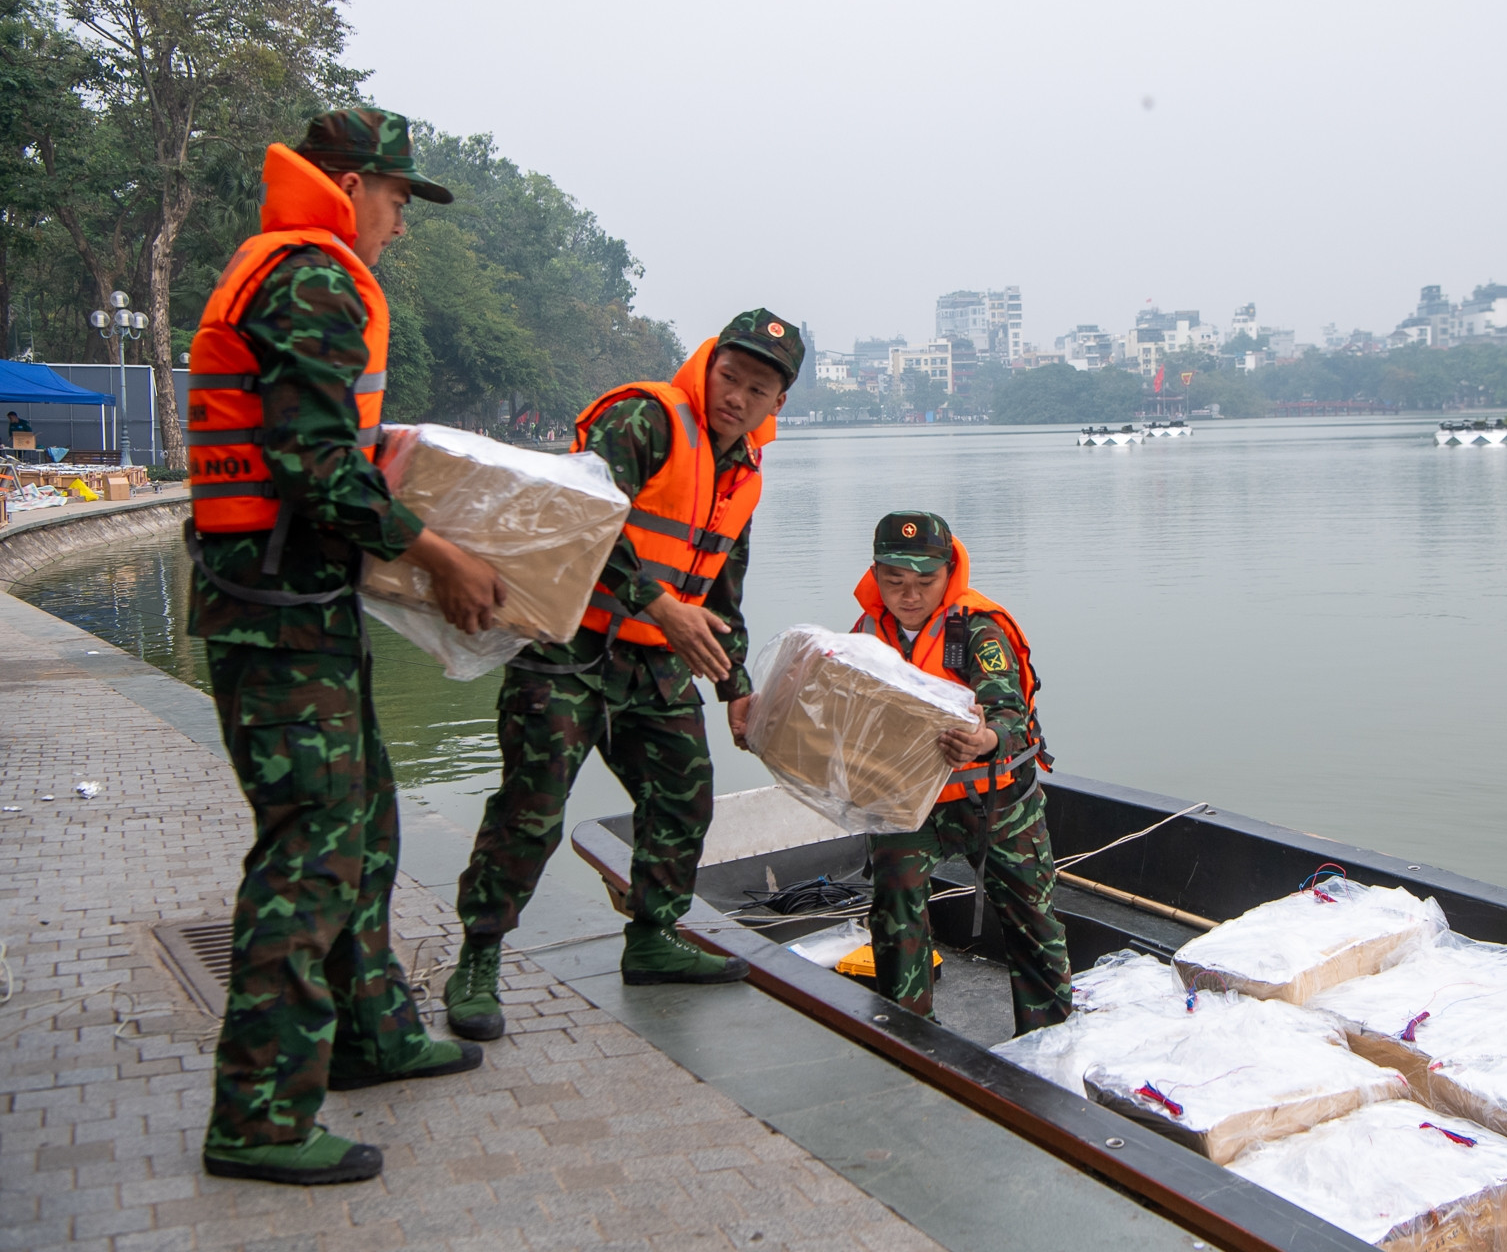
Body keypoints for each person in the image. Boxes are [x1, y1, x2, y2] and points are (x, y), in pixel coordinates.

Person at [186, 108, 505, 1186]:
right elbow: (315, 468)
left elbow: (315, 444)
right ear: (357, 182)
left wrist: (387, 453)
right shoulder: (312, 276)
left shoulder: (289, 269)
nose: (400, 227)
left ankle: (369, 1032)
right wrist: (443, 557)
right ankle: (260, 1117)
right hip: (277, 613)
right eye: (400, 201)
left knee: (364, 813)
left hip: (294, 604)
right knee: (311, 850)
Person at [442, 309, 803, 1041]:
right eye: (729, 376)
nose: (735, 396)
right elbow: (579, 520)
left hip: (653, 664)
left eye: (756, 389)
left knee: (684, 796)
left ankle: (651, 939)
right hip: (568, 648)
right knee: (532, 805)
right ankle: (478, 955)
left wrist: (737, 688)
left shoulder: (745, 475)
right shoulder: (647, 421)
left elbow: (721, 594)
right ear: (709, 364)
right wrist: (659, 605)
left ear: (777, 403)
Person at [852, 511, 1072, 1035]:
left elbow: (1009, 715)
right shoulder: (865, 632)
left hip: (995, 801)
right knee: (894, 904)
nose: (909, 595)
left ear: (949, 572)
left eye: (925, 581)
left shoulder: (979, 629)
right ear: (876, 574)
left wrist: (984, 738)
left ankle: (1049, 1036)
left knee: (1031, 917)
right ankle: (910, 1029)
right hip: (911, 802)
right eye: (894, 581)